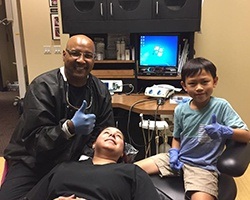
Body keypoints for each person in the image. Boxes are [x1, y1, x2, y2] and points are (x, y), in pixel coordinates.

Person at [0, 35, 115, 200]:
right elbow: (35, 140)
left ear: (93, 59)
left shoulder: (100, 91)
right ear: (64, 55)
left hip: (74, 159)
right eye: (75, 53)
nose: (81, 60)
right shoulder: (42, 86)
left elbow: (104, 131)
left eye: (88, 56)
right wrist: (69, 128)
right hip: (32, 160)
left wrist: (87, 157)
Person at [135, 57, 250, 200]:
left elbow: (246, 136)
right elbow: (177, 137)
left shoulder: (221, 106)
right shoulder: (180, 110)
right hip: (179, 160)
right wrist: (174, 153)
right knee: (130, 171)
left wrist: (224, 131)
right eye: (192, 83)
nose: (199, 88)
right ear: (184, 86)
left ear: (215, 81)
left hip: (203, 167)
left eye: (204, 82)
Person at [22, 127, 160, 200]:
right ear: (93, 144)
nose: (112, 135)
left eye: (118, 136)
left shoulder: (132, 173)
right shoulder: (64, 167)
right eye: (106, 133)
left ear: (122, 153)